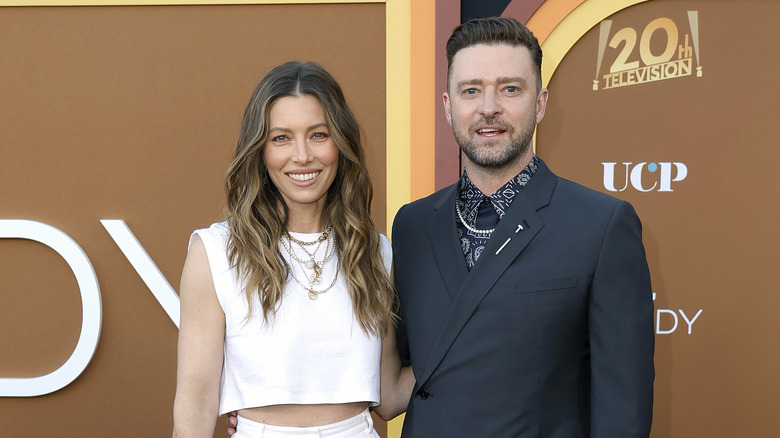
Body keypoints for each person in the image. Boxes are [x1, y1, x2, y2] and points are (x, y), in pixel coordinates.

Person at [390, 17, 655, 437]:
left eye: (510, 88)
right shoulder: (412, 225)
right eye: (471, 90)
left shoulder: (601, 226)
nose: (489, 107)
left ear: (541, 102)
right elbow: (385, 370)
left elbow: (622, 409)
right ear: (447, 106)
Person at [173, 61, 414, 438]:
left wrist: (470, 341)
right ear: (260, 150)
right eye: (281, 138)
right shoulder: (216, 251)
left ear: (341, 142)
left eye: (318, 134)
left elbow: (389, 395)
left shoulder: (373, 250)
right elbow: (196, 402)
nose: (302, 156)